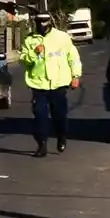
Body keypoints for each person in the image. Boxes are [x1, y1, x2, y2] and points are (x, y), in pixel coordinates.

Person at [19, 13, 81, 158]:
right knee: (40, 115)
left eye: (44, 22)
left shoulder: (62, 37)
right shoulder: (30, 40)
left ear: (50, 22)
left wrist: (75, 76)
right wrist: (35, 53)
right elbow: (24, 61)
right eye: (38, 22)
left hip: (59, 83)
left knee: (59, 115)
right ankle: (42, 145)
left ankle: (61, 136)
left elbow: (73, 57)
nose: (41, 25)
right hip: (38, 83)